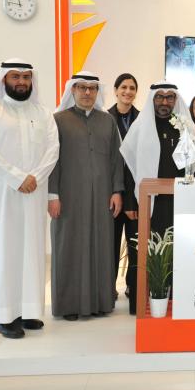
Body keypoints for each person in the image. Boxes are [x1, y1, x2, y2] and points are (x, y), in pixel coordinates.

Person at [0, 59, 60, 339]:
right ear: (4, 80)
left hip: (34, 192)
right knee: (3, 251)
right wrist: (17, 178)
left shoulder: (43, 113)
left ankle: (28, 310)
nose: (21, 81)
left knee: (32, 250)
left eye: (26, 77)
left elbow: (53, 150)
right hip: (2, 194)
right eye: (15, 76)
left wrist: (35, 177)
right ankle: (4, 316)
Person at [48, 72, 124, 321]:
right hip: (68, 197)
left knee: (101, 246)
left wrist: (117, 191)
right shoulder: (58, 120)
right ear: (73, 90)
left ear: (97, 92)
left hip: (102, 196)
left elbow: (116, 159)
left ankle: (100, 302)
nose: (87, 92)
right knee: (68, 247)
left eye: (92, 88)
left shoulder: (107, 121)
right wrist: (52, 195)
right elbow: (51, 161)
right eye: (82, 88)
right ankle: (69, 305)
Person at [120, 82, 195, 239]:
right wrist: (129, 202)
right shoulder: (140, 127)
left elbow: (194, 165)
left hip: (177, 198)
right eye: (159, 97)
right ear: (152, 99)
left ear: (175, 99)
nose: (164, 102)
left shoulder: (185, 127)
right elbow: (130, 166)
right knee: (149, 245)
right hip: (147, 198)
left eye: (169, 97)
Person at [107, 73, 140, 311]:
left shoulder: (143, 119)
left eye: (132, 88)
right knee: (109, 244)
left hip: (135, 194)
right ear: (116, 90)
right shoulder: (104, 118)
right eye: (124, 87)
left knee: (135, 244)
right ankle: (107, 288)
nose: (128, 92)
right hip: (110, 193)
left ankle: (132, 287)